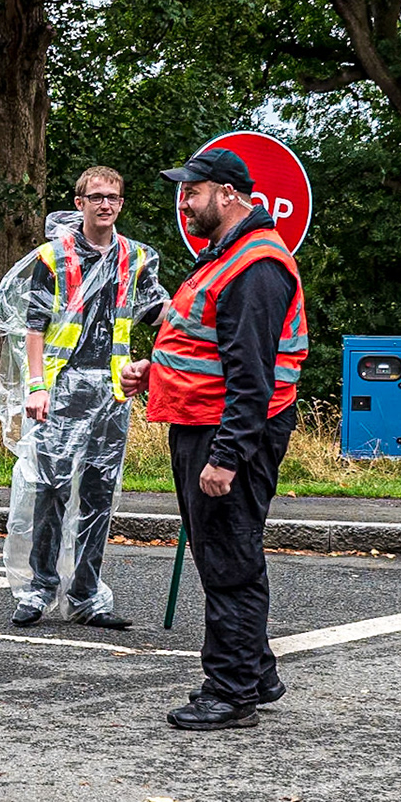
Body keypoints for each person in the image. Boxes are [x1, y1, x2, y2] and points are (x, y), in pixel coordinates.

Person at [120, 147, 307, 731]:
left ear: (227, 194)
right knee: (223, 553)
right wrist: (155, 372)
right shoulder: (225, 255)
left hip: (230, 433)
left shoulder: (255, 265)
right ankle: (255, 671)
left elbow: (251, 377)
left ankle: (230, 693)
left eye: (192, 192)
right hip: (206, 422)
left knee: (230, 560)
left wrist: (227, 457)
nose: (184, 203)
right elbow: (208, 348)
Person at [0, 167, 168, 631]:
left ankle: (86, 595)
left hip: (112, 390)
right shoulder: (56, 256)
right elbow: (34, 327)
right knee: (49, 490)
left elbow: (160, 314)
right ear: (80, 202)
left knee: (100, 493)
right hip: (61, 388)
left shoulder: (136, 258)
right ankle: (40, 588)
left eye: (113, 197)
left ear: (121, 203)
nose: (105, 204)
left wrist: (204, 304)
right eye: (96, 197)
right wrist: (36, 386)